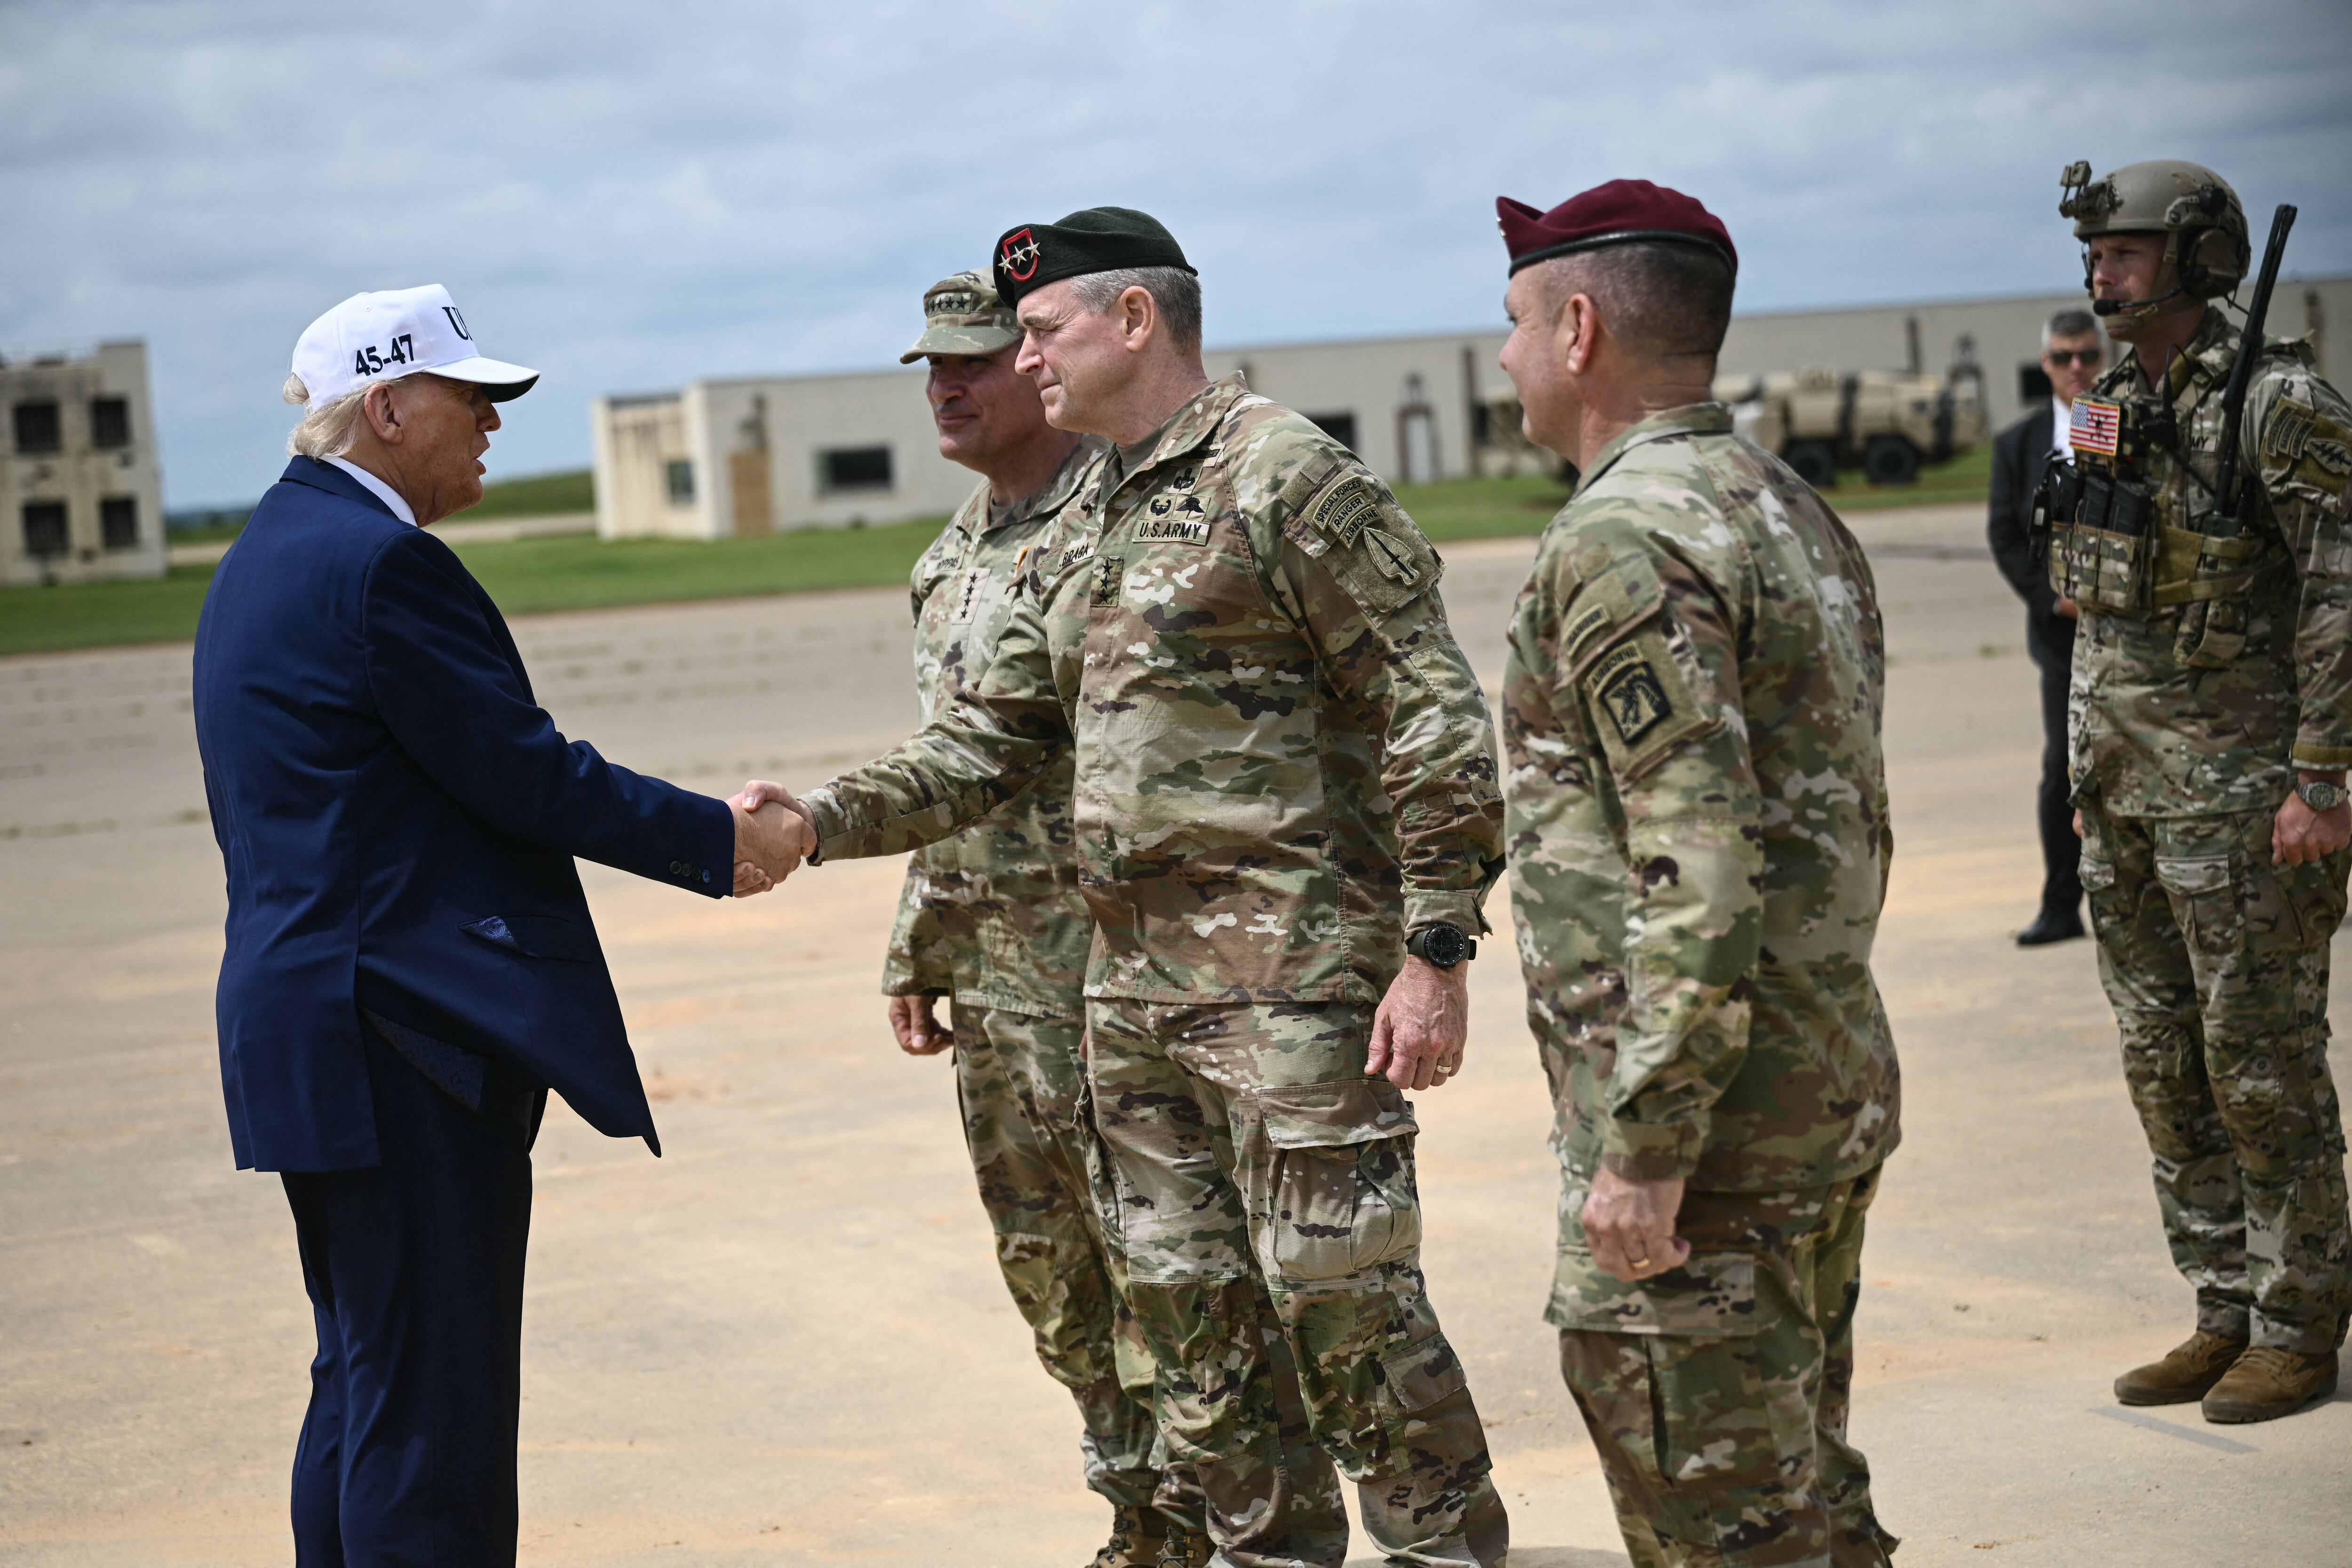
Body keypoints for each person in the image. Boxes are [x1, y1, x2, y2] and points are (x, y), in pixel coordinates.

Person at [741, 207, 1509, 1568]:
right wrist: (815, 819)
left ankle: (1448, 1552)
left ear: (1135, 319)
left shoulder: (1284, 476)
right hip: (1129, 1003)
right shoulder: (1091, 505)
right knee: (1194, 1335)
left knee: (1349, 1314)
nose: (1023, 357)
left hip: (1293, 993)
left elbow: (1432, 713)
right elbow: (990, 740)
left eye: (1042, 330)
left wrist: (1435, 950)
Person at [191, 285, 809, 1565]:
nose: (490, 423)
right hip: (401, 1034)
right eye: (471, 397)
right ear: (390, 405)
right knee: (435, 1415)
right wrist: (721, 838)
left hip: (316, 1025)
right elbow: (523, 768)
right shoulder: (379, 566)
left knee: (370, 1377)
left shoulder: (269, 553)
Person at [1492, 181, 1902, 1567]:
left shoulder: (1628, 534)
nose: (1504, 357)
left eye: (1514, 323)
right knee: (1805, 1488)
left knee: (1725, 1523)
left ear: (1580, 327)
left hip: (1711, 1137)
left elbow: (1702, 858)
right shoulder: (1783, 504)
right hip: (1814, 1077)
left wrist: (1649, 1145)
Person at [884, 269, 1192, 1567]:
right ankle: (1137, 1515)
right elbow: (949, 761)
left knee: (1167, 1267)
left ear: (1037, 365)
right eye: (933, 369)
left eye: (975, 362)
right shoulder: (945, 563)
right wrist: (918, 935)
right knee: (1052, 1273)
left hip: (1115, 977)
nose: (948, 388)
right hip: (999, 979)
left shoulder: (1114, 526)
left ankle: (1207, 1514)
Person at [2048, 159, 2352, 1423]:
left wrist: (2323, 774)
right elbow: (2090, 590)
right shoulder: (2113, 398)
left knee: (2260, 1058)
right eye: (2096, 251)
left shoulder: (2281, 404)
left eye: (2126, 251)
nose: (2101, 272)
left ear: (2200, 256)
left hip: (2246, 797)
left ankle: (2300, 1317)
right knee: (2163, 1056)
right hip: (2126, 789)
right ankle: (2221, 1302)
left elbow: (2343, 591)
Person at [1988, 308, 2106, 945]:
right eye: (2065, 358)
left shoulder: (2128, 424)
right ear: (2047, 365)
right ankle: (2062, 904)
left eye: (2088, 355)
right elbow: (2005, 535)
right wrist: (2055, 601)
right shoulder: (2018, 443)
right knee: (2064, 768)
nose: (2078, 369)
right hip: (2063, 636)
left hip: (2139, 634)